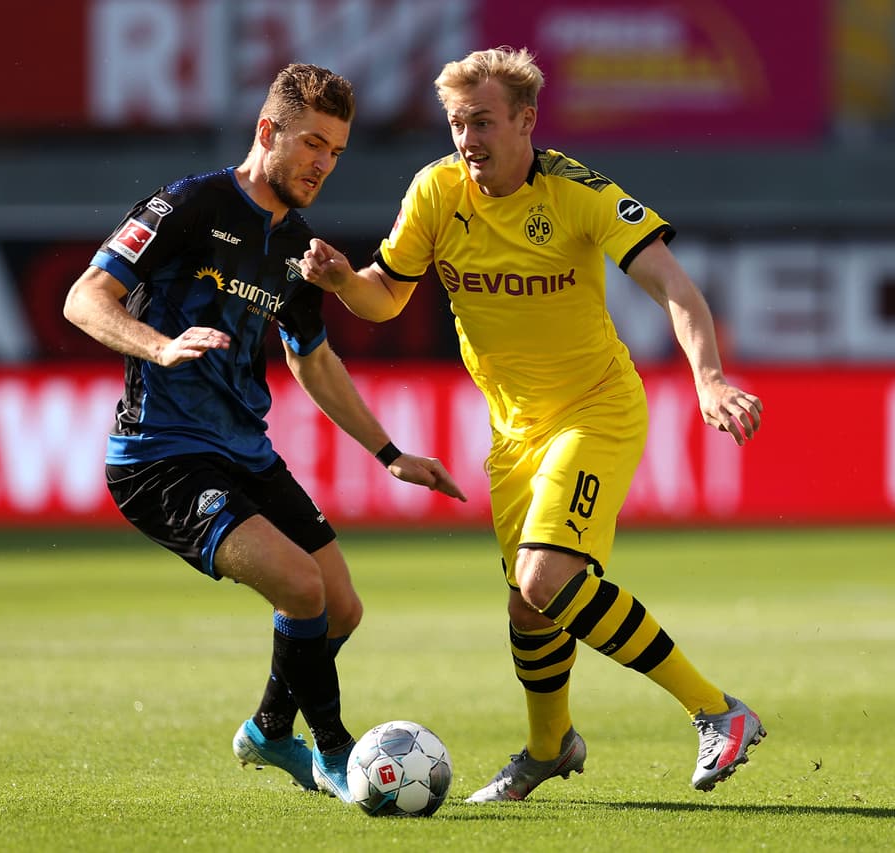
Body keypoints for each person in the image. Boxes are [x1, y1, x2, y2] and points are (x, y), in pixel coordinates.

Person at [300, 47, 765, 801]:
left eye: (482, 122)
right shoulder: (437, 191)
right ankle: (549, 748)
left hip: (595, 409)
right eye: (457, 123)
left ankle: (717, 710)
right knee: (529, 604)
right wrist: (342, 281)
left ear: (526, 120)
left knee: (547, 578)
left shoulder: (579, 193)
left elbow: (673, 285)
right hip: (513, 433)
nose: (467, 139)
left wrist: (707, 376)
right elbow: (385, 296)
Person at [62, 63, 466, 803]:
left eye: (335, 151)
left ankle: (271, 729)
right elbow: (84, 298)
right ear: (267, 131)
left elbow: (312, 360)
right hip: (161, 457)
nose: (322, 164)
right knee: (301, 586)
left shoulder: (299, 247)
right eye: (311, 143)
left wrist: (390, 454)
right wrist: (160, 346)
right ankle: (338, 753)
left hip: (244, 452)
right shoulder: (187, 206)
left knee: (341, 605)